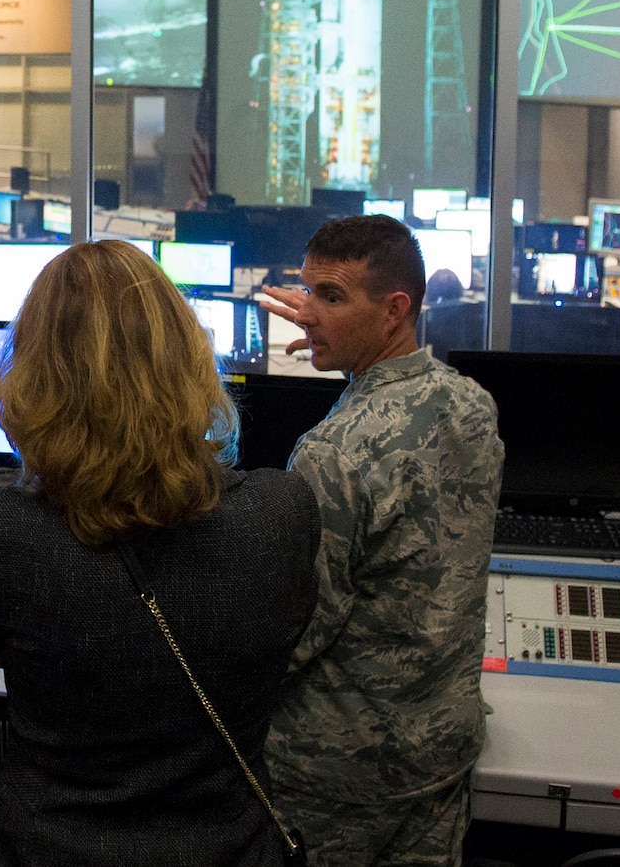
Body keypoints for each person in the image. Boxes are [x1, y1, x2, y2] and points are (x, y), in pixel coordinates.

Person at [0, 241, 320, 867]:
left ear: (35, 377)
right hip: (226, 849)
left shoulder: (13, 530)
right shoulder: (280, 514)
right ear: (191, 358)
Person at [257, 215, 503, 867]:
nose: (307, 313)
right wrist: (333, 335)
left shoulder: (330, 454)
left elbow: (296, 632)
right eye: (307, 293)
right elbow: (399, 428)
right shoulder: (473, 404)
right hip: (442, 755)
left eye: (330, 297)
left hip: (338, 778)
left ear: (395, 309)